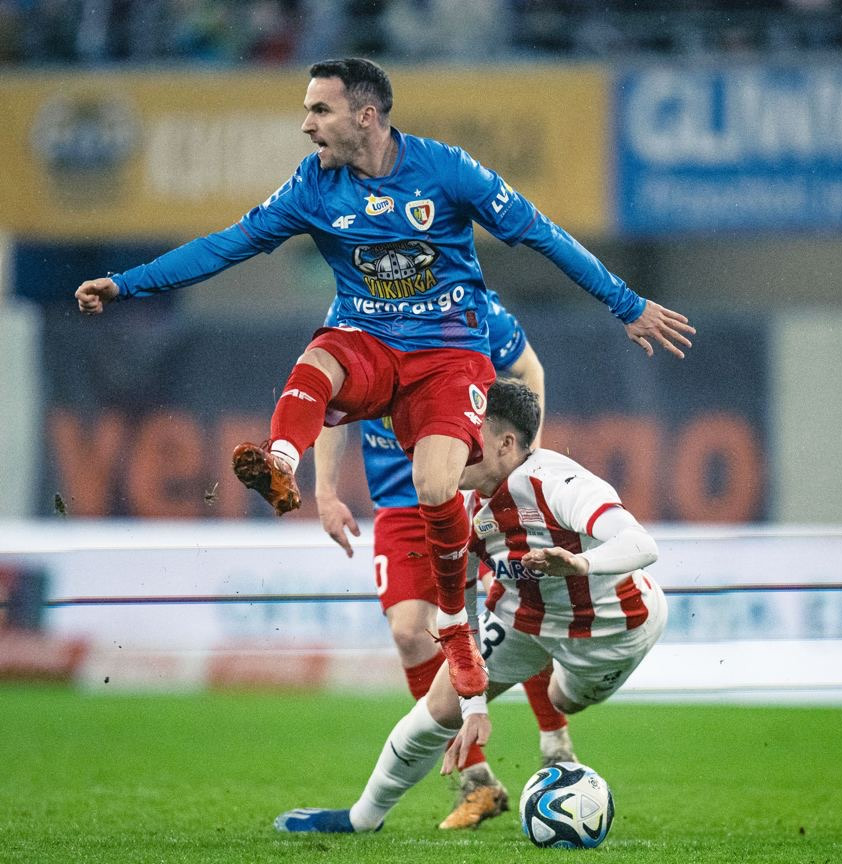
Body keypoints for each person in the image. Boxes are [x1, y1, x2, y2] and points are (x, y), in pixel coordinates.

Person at [74, 57, 694, 702]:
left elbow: (541, 234)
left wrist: (627, 304)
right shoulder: (313, 185)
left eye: (320, 110)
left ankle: (455, 625)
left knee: (436, 487)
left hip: (448, 353)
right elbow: (226, 244)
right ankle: (280, 459)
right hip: (369, 339)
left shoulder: (446, 170)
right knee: (319, 359)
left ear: (365, 116)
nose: (307, 125)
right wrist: (125, 285)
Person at [274, 378, 666, 833]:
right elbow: (460, 602)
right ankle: (362, 819)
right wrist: (473, 702)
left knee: (563, 698)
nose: (453, 442)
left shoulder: (559, 484)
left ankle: (557, 732)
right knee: (439, 708)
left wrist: (580, 563)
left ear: (506, 443)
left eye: (467, 434)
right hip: (522, 620)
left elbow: (642, 544)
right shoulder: (458, 505)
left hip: (613, 630)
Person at [313, 292, 575, 830]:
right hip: (400, 498)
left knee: (516, 604)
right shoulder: (347, 313)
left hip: (472, 485)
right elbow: (329, 405)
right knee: (411, 633)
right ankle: (477, 781)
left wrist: (524, 462)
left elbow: (529, 369)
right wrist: (324, 490)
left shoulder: (464, 302)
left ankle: (556, 746)